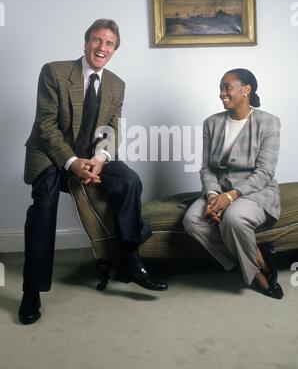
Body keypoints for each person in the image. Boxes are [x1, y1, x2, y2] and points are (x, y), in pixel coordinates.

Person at [19, 19, 167, 325]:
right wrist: (73, 163)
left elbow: (112, 128)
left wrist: (100, 159)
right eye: (97, 40)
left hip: (91, 157)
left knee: (129, 181)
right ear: (86, 42)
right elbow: (45, 126)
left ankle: (130, 260)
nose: (102, 48)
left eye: (109, 44)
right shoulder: (54, 72)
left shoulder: (117, 84)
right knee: (44, 207)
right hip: (49, 155)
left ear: (115, 50)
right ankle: (31, 291)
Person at [183, 68, 283, 299]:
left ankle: (258, 275)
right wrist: (211, 196)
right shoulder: (211, 123)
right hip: (218, 189)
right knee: (192, 221)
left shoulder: (269, 123)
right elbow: (207, 168)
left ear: (246, 90)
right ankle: (257, 259)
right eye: (220, 88)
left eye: (227, 87)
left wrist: (230, 197)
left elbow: (265, 172)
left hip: (256, 191)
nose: (222, 93)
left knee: (234, 218)